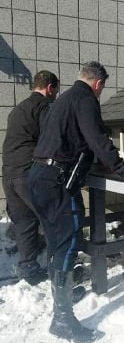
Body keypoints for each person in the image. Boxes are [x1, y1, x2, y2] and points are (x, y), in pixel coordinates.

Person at [29, 61, 124, 341]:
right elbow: (98, 139)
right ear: (98, 84)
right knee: (68, 244)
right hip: (57, 182)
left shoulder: (63, 100)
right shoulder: (85, 100)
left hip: (39, 177)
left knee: (57, 244)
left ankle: (61, 306)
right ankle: (63, 320)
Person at [2, 71, 59, 285]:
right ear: (50, 88)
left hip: (9, 174)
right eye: (56, 91)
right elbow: (50, 140)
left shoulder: (17, 110)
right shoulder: (43, 107)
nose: (55, 95)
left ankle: (28, 268)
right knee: (53, 219)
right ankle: (59, 270)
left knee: (24, 221)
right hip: (28, 174)